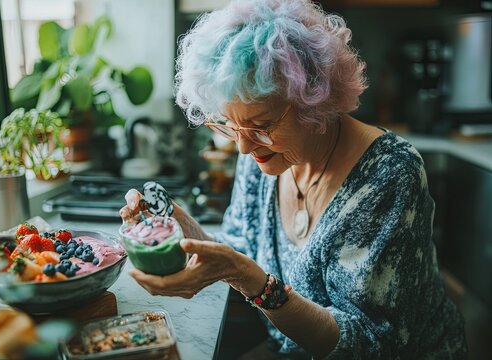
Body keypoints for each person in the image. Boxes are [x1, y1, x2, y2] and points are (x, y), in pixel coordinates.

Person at [119, 0, 467, 358]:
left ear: (315, 100)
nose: (242, 146)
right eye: (230, 124)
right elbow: (239, 250)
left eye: (262, 125)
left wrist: (252, 281)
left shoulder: (389, 174)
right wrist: (180, 225)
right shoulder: (263, 153)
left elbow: (367, 345)